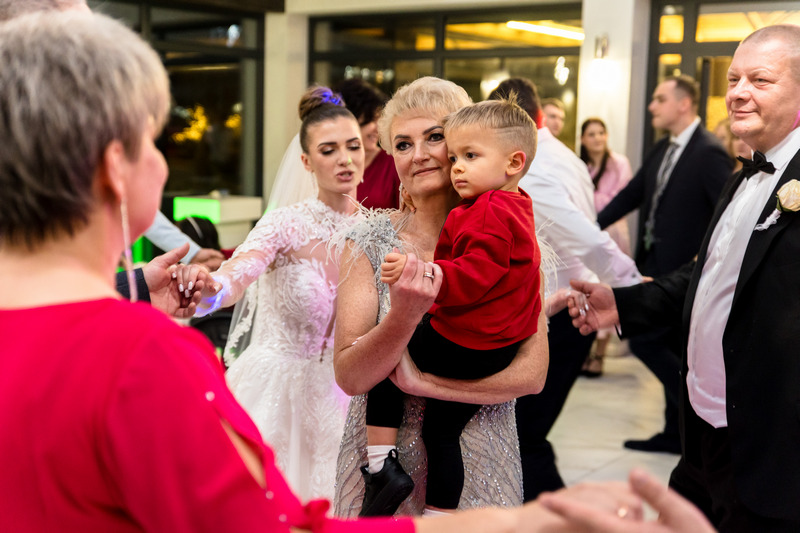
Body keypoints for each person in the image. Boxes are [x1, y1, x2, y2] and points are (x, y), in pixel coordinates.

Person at [568, 23, 800, 531]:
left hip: (770, 452)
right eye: (734, 79)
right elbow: (709, 278)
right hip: (702, 436)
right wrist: (624, 303)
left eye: (760, 80)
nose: (737, 92)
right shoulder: (742, 179)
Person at [331, 76, 550, 518]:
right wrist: (402, 318)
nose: (420, 154)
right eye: (402, 144)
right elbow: (351, 377)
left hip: (479, 455)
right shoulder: (369, 241)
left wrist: (426, 386)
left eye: (435, 137)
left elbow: (532, 375)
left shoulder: (512, 236)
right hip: (381, 472)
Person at [178, 85, 361, 501]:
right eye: (329, 150)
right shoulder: (284, 225)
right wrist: (211, 287)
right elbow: (236, 274)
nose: (345, 159)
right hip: (276, 393)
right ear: (306, 161)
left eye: (353, 146)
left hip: (345, 399)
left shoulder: (375, 230)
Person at [488, 77, 641, 502]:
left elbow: (586, 238)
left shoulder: (533, 168)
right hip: (567, 312)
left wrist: (633, 288)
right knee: (525, 434)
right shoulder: (565, 156)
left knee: (523, 436)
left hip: (558, 316)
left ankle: (563, 519)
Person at [596, 75, 731, 455]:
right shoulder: (663, 148)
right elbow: (631, 195)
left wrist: (704, 261)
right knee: (669, 347)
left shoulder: (709, 151)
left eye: (659, 99)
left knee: (645, 339)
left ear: (684, 103)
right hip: (653, 265)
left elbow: (725, 215)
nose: (652, 106)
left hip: (685, 274)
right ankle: (676, 434)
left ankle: (690, 409)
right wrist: (590, 228)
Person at [578, 117, 634, 377]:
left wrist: (590, 201)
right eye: (591, 134)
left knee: (610, 291)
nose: (597, 138)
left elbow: (621, 199)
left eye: (601, 132)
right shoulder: (580, 166)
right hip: (587, 235)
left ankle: (600, 355)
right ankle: (584, 353)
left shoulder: (619, 163)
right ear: (583, 139)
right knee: (587, 290)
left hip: (613, 235)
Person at [336, 78, 401, 209]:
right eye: (371, 120)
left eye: (380, 119)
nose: (378, 128)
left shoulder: (393, 164)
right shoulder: (332, 164)